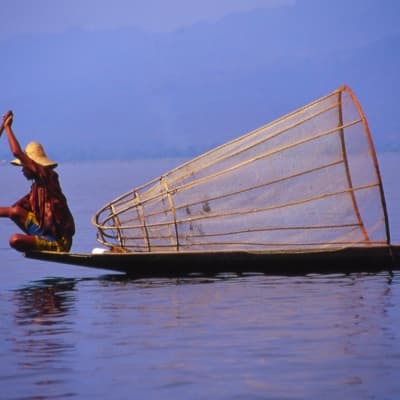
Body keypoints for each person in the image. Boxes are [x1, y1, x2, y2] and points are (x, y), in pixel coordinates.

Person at [0, 110, 75, 252]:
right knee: (15, 211)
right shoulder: (36, 190)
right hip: (46, 233)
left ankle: (49, 246)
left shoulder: (47, 176)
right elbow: (10, 211)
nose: (22, 170)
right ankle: (39, 241)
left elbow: (17, 152)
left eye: (24, 166)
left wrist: (8, 128)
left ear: (32, 165)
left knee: (14, 239)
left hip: (60, 241)